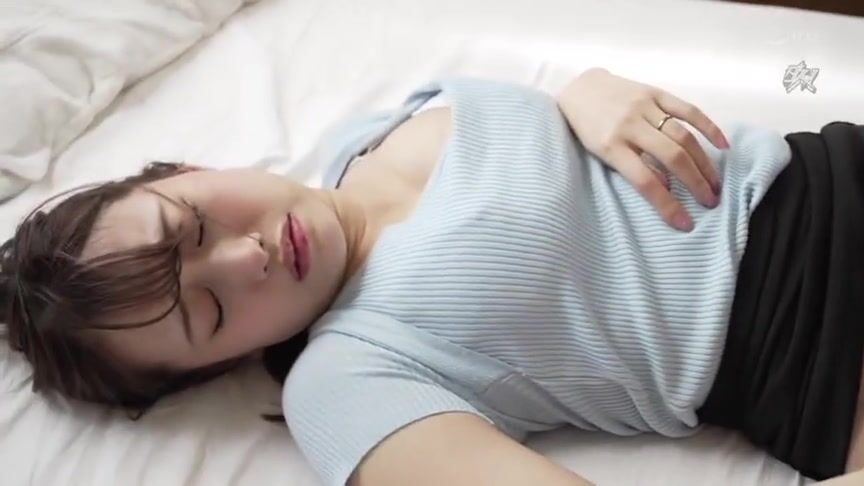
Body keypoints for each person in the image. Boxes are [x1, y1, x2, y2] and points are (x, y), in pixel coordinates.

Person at [1, 67, 862, 486]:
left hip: (830, 170)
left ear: (181, 170)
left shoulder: (376, 128)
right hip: (821, 356)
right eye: (214, 311)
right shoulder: (342, 384)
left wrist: (585, 92)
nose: (245, 259)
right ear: (218, 365)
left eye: (192, 226)